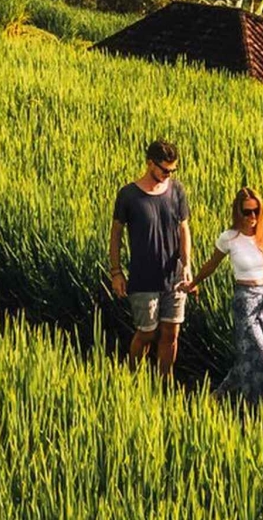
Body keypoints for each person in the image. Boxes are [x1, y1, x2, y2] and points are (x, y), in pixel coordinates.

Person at [181, 187, 263, 410]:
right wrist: (193, 283)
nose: (252, 217)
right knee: (262, 359)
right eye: (247, 212)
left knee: (249, 359)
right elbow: (211, 265)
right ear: (237, 212)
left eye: (256, 211)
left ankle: (217, 398)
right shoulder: (229, 238)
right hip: (245, 302)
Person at [109, 139, 192, 378]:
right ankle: (133, 379)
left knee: (170, 333)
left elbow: (184, 229)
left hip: (173, 275)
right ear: (149, 164)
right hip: (143, 275)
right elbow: (116, 234)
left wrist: (186, 265)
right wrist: (116, 272)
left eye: (172, 170)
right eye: (165, 169)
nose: (169, 174)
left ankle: (164, 384)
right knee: (146, 332)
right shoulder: (128, 195)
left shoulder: (177, 191)